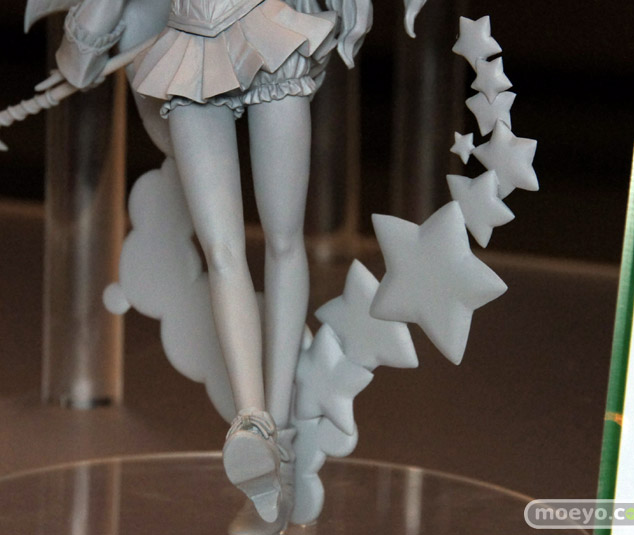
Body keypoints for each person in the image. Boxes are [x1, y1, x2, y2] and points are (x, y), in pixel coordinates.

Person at [45, 0, 426, 527]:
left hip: (270, 34)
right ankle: (254, 424)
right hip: (190, 46)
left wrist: (81, 49)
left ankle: (279, 436)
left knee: (283, 242)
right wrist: (82, 46)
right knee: (224, 252)